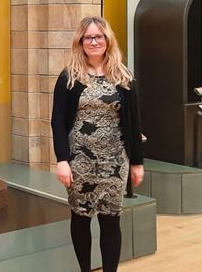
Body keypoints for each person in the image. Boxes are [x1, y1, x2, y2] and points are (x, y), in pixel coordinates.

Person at [50, 16, 144, 272]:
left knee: (111, 221)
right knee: (80, 218)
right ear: (80, 42)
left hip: (115, 161)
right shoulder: (69, 77)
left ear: (107, 39)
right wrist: (62, 160)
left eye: (98, 36)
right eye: (88, 37)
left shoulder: (123, 76)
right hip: (79, 161)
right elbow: (57, 121)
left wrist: (137, 162)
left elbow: (134, 122)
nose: (93, 42)